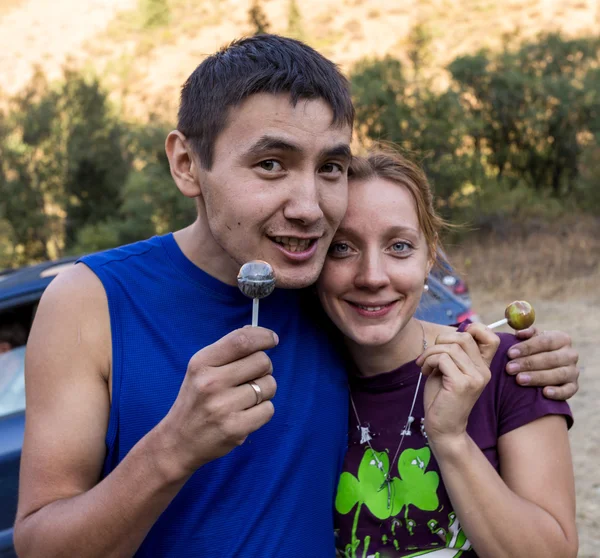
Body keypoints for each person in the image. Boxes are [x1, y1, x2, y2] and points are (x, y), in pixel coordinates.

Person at [14, 35, 579, 557]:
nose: (309, 207)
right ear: (187, 163)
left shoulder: (320, 287)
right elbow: (40, 544)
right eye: (270, 164)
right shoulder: (89, 302)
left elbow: (404, 322)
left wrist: (530, 357)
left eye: (330, 167)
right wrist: (172, 449)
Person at [317, 150, 576, 557]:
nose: (371, 276)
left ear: (430, 254)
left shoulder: (509, 368)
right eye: (341, 248)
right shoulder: (294, 378)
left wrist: (451, 439)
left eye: (399, 246)